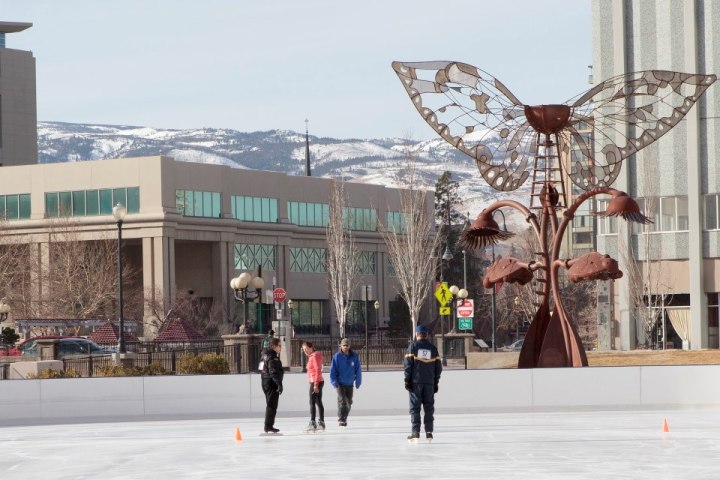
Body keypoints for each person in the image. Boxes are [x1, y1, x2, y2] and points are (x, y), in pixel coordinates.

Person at [404, 325, 442, 442]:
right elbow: (438, 368)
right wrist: (435, 382)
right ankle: (429, 432)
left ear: (417, 334)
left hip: (416, 383)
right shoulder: (433, 349)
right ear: (426, 335)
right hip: (429, 383)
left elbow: (408, 366)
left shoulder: (413, 347)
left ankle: (415, 432)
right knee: (429, 407)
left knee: (415, 408)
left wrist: (407, 380)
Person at [329, 337, 362, 427]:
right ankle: (341, 419)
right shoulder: (337, 357)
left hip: (350, 383)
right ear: (341, 346)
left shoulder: (354, 356)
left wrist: (358, 381)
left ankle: (345, 417)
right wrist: (334, 382)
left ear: (349, 346)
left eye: (347, 345)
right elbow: (332, 370)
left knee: (349, 402)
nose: (345, 347)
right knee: (343, 401)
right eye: (344, 345)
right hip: (340, 383)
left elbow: (358, 369)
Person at [259, 337, 283, 434]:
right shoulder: (272, 356)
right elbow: (273, 371)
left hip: (266, 381)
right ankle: (268, 426)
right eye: (279, 345)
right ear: (274, 346)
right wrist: (278, 384)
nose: (280, 347)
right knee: (272, 405)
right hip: (271, 382)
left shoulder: (264, 355)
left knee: (271, 405)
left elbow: (261, 368)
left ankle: (269, 425)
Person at [302, 341, 325, 432]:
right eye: (303, 350)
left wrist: (315, 384)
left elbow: (317, 370)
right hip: (318, 381)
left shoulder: (314, 356)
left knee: (312, 401)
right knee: (318, 401)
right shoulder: (313, 356)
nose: (305, 351)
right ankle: (321, 422)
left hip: (316, 381)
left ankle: (312, 422)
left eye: (306, 349)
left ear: (311, 347)